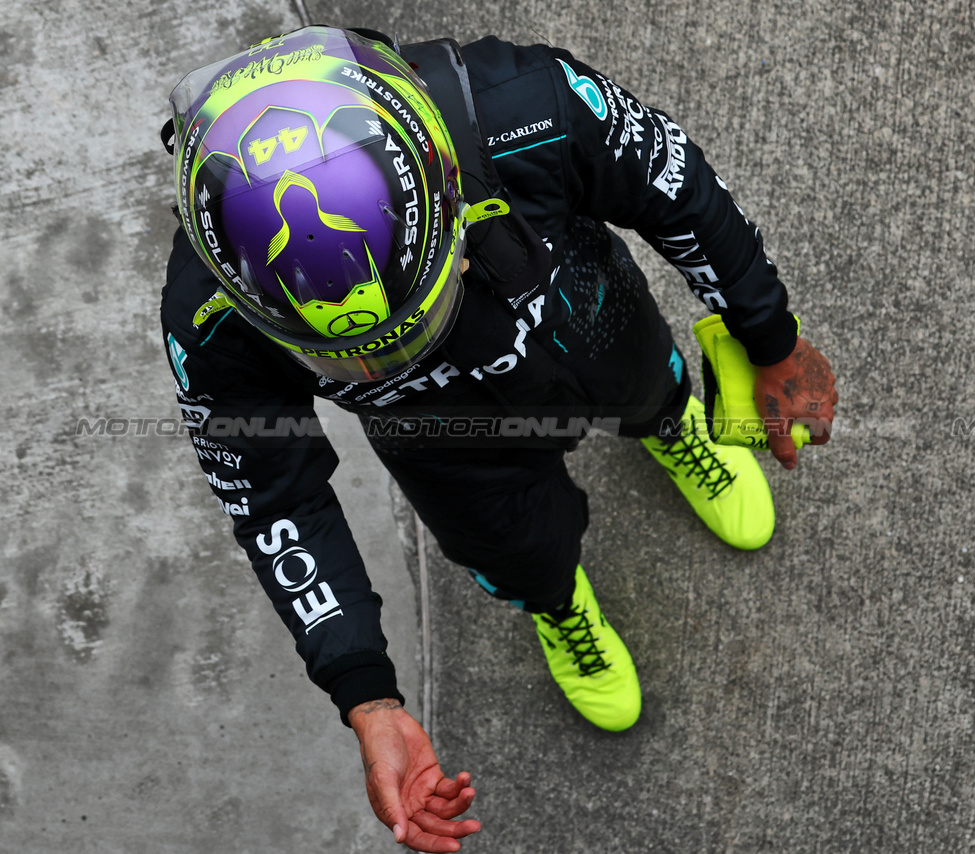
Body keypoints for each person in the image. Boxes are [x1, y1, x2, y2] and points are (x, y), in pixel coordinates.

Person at [161, 25, 837, 852]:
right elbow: (273, 497)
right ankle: (557, 602)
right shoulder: (208, 311)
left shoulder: (523, 105)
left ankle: (670, 430)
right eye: (355, 354)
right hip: (448, 445)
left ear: (445, 178)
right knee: (521, 552)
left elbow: (676, 184)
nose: (381, 358)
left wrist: (769, 338)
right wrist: (366, 693)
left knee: (652, 388)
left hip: (592, 320)